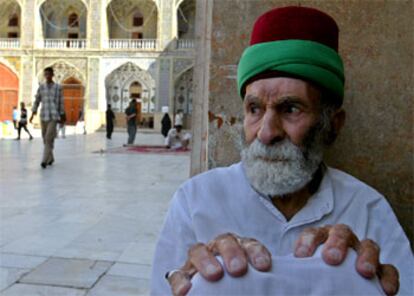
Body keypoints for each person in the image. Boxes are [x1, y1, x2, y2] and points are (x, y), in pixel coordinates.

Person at [151, 6, 413, 296]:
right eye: (254, 109)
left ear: (332, 125)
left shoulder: (368, 209)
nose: (266, 132)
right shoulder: (196, 201)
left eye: (290, 109)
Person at [30, 67, 64, 168]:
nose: (47, 76)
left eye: (49, 74)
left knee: (49, 138)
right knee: (45, 139)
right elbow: (37, 100)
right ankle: (51, 158)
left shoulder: (58, 87)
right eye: (46, 74)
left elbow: (61, 102)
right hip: (43, 115)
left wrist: (62, 115)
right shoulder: (41, 87)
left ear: (52, 75)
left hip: (54, 116)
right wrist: (33, 113)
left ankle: (44, 161)